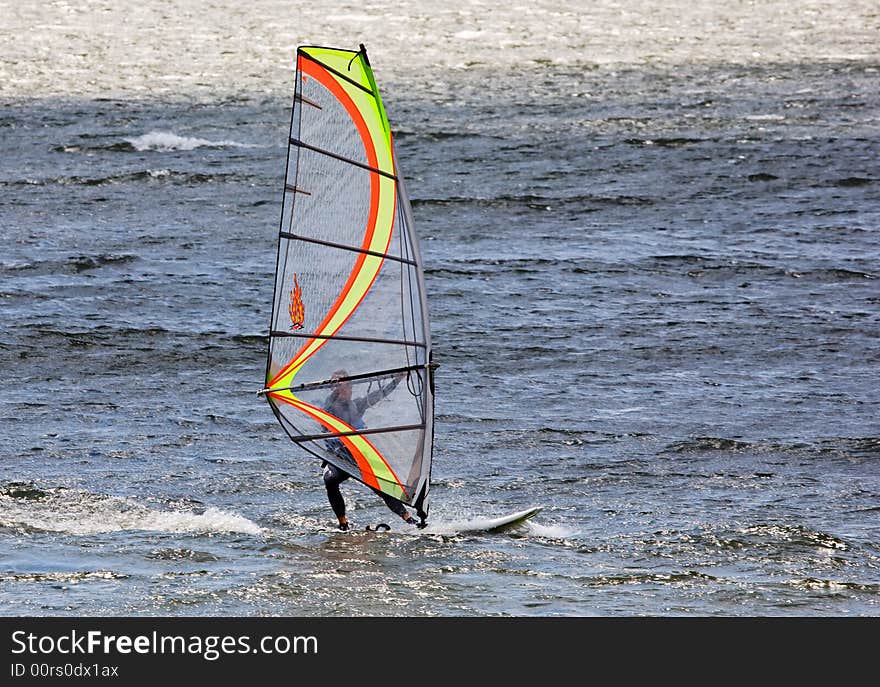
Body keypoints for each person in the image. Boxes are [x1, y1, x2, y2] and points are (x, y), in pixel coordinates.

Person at [321, 369, 419, 530]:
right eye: (339, 388)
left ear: (351, 389)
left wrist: (397, 380)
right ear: (334, 389)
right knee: (330, 480)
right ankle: (343, 524)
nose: (344, 392)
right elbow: (330, 402)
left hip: (357, 456)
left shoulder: (357, 405)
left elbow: (380, 394)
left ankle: (409, 519)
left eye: (346, 388)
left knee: (380, 486)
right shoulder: (328, 407)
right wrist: (337, 385)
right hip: (338, 457)